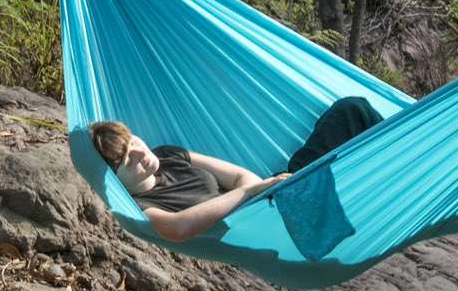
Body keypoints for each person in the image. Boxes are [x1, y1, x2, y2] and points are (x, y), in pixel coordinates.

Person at [88, 97, 383, 243]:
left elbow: (237, 174)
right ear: (116, 181)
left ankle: (419, 153)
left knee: (351, 111)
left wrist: (264, 191)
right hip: (270, 227)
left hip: (278, 198)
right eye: (128, 159)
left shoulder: (168, 154)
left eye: (134, 141)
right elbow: (178, 228)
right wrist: (250, 193)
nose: (140, 152)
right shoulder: (144, 209)